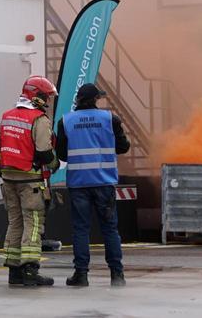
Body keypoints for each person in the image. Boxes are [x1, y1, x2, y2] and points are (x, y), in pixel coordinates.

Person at [0, 75, 60, 287]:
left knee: (15, 222)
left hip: (9, 180)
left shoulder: (7, 116)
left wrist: (0, 168)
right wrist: (55, 165)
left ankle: (14, 272)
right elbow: (44, 152)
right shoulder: (39, 119)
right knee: (33, 223)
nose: (47, 101)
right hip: (30, 182)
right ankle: (30, 269)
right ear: (36, 96)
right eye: (45, 97)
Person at [56, 82, 130, 288]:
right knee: (110, 229)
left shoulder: (66, 121)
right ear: (96, 99)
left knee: (81, 229)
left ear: (78, 100)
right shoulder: (110, 119)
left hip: (79, 184)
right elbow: (123, 147)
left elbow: (61, 154)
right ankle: (117, 275)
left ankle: (81, 275)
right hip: (104, 183)